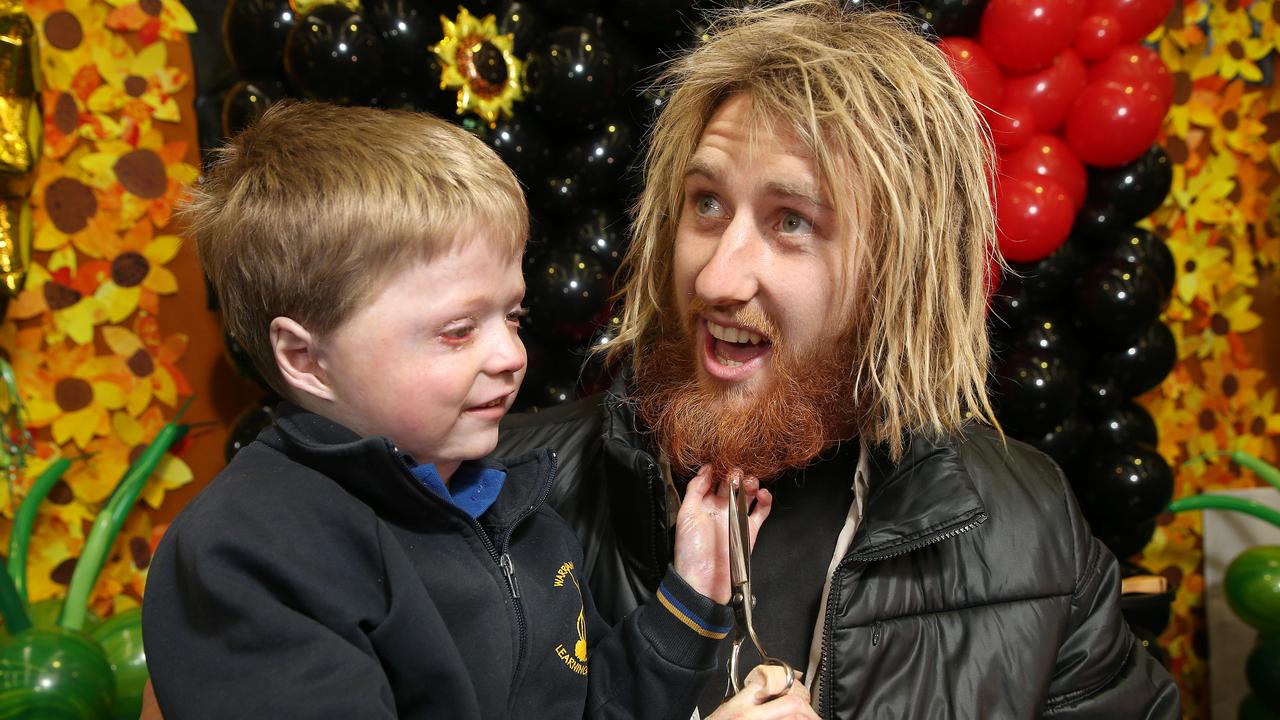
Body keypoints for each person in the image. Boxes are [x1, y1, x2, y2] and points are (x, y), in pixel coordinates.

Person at [495, 2, 1182, 718]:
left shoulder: (1028, 528)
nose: (715, 279)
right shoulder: (503, 495)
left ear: (898, 269)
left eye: (791, 221)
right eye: (706, 204)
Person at [141, 101, 784, 719]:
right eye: (457, 330)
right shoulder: (251, 554)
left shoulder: (522, 519)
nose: (511, 354)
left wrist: (694, 593)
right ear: (306, 358)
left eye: (512, 315)